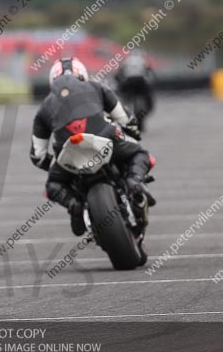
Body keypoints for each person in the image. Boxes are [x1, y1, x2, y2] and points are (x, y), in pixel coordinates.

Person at [29, 57, 153, 236]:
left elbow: (38, 156)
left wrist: (59, 164)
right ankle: (134, 182)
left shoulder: (45, 106)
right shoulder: (97, 86)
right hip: (106, 137)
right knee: (140, 154)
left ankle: (74, 205)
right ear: (83, 74)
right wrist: (134, 134)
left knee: (53, 185)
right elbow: (126, 119)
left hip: (69, 151)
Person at [114, 50, 155, 131]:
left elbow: (118, 75)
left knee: (123, 98)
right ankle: (146, 108)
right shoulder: (143, 61)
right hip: (141, 82)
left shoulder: (126, 61)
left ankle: (125, 106)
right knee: (148, 99)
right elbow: (150, 74)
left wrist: (119, 88)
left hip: (128, 82)